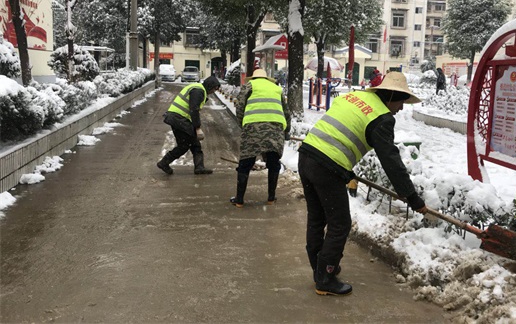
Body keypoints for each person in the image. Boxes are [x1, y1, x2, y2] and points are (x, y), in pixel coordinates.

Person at [298, 72, 427, 296]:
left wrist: (345, 169)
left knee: (317, 218)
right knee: (340, 224)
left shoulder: (350, 98)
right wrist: (412, 198)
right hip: (326, 167)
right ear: (391, 97)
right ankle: (326, 277)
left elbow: (339, 131)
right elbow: (391, 161)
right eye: (401, 102)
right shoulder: (382, 118)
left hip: (307, 156)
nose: (401, 108)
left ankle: (321, 269)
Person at [230, 69, 291, 208]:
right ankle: (271, 198)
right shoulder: (277, 89)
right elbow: (286, 112)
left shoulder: (249, 86)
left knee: (246, 162)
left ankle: (239, 200)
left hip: (253, 129)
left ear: (253, 78)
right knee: (273, 163)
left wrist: (243, 125)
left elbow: (240, 108)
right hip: (275, 130)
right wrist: (286, 131)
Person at [157, 75, 221, 175]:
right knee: (184, 145)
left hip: (179, 119)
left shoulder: (198, 89)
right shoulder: (198, 91)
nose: (214, 91)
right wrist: (197, 128)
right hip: (179, 119)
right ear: (209, 86)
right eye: (214, 89)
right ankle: (164, 162)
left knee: (194, 144)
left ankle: (199, 167)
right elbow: (194, 110)